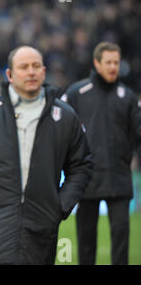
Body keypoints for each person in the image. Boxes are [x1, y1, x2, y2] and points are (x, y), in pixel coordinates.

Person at [0, 46, 93, 264]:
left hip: (42, 224)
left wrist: (60, 205)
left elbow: (82, 166)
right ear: (9, 75)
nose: (31, 72)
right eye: (23, 67)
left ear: (44, 71)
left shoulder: (65, 116)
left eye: (36, 66)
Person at [63, 42, 141, 265]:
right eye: (108, 62)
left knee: (121, 239)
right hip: (86, 179)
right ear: (97, 63)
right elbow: (61, 131)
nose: (113, 67)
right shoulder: (77, 93)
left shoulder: (127, 96)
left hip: (119, 177)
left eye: (116, 62)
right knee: (86, 241)